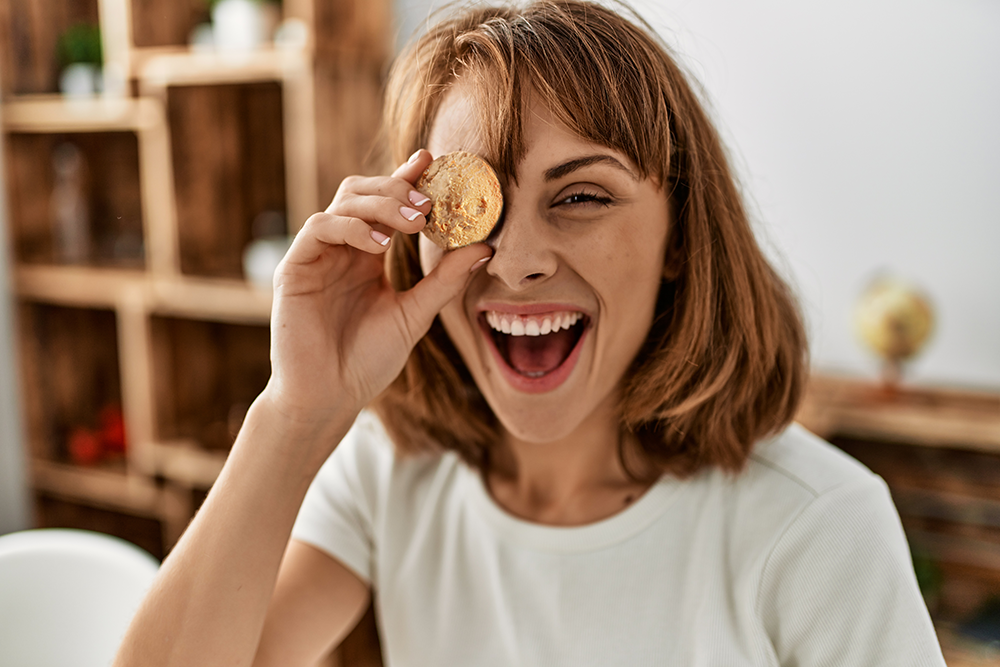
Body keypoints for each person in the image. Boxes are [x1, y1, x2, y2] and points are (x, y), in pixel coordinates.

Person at [115, 2, 947, 665]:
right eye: (468, 206)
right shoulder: (388, 477)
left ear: (681, 239)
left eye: (580, 196)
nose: (513, 263)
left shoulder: (819, 525)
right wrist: (294, 417)